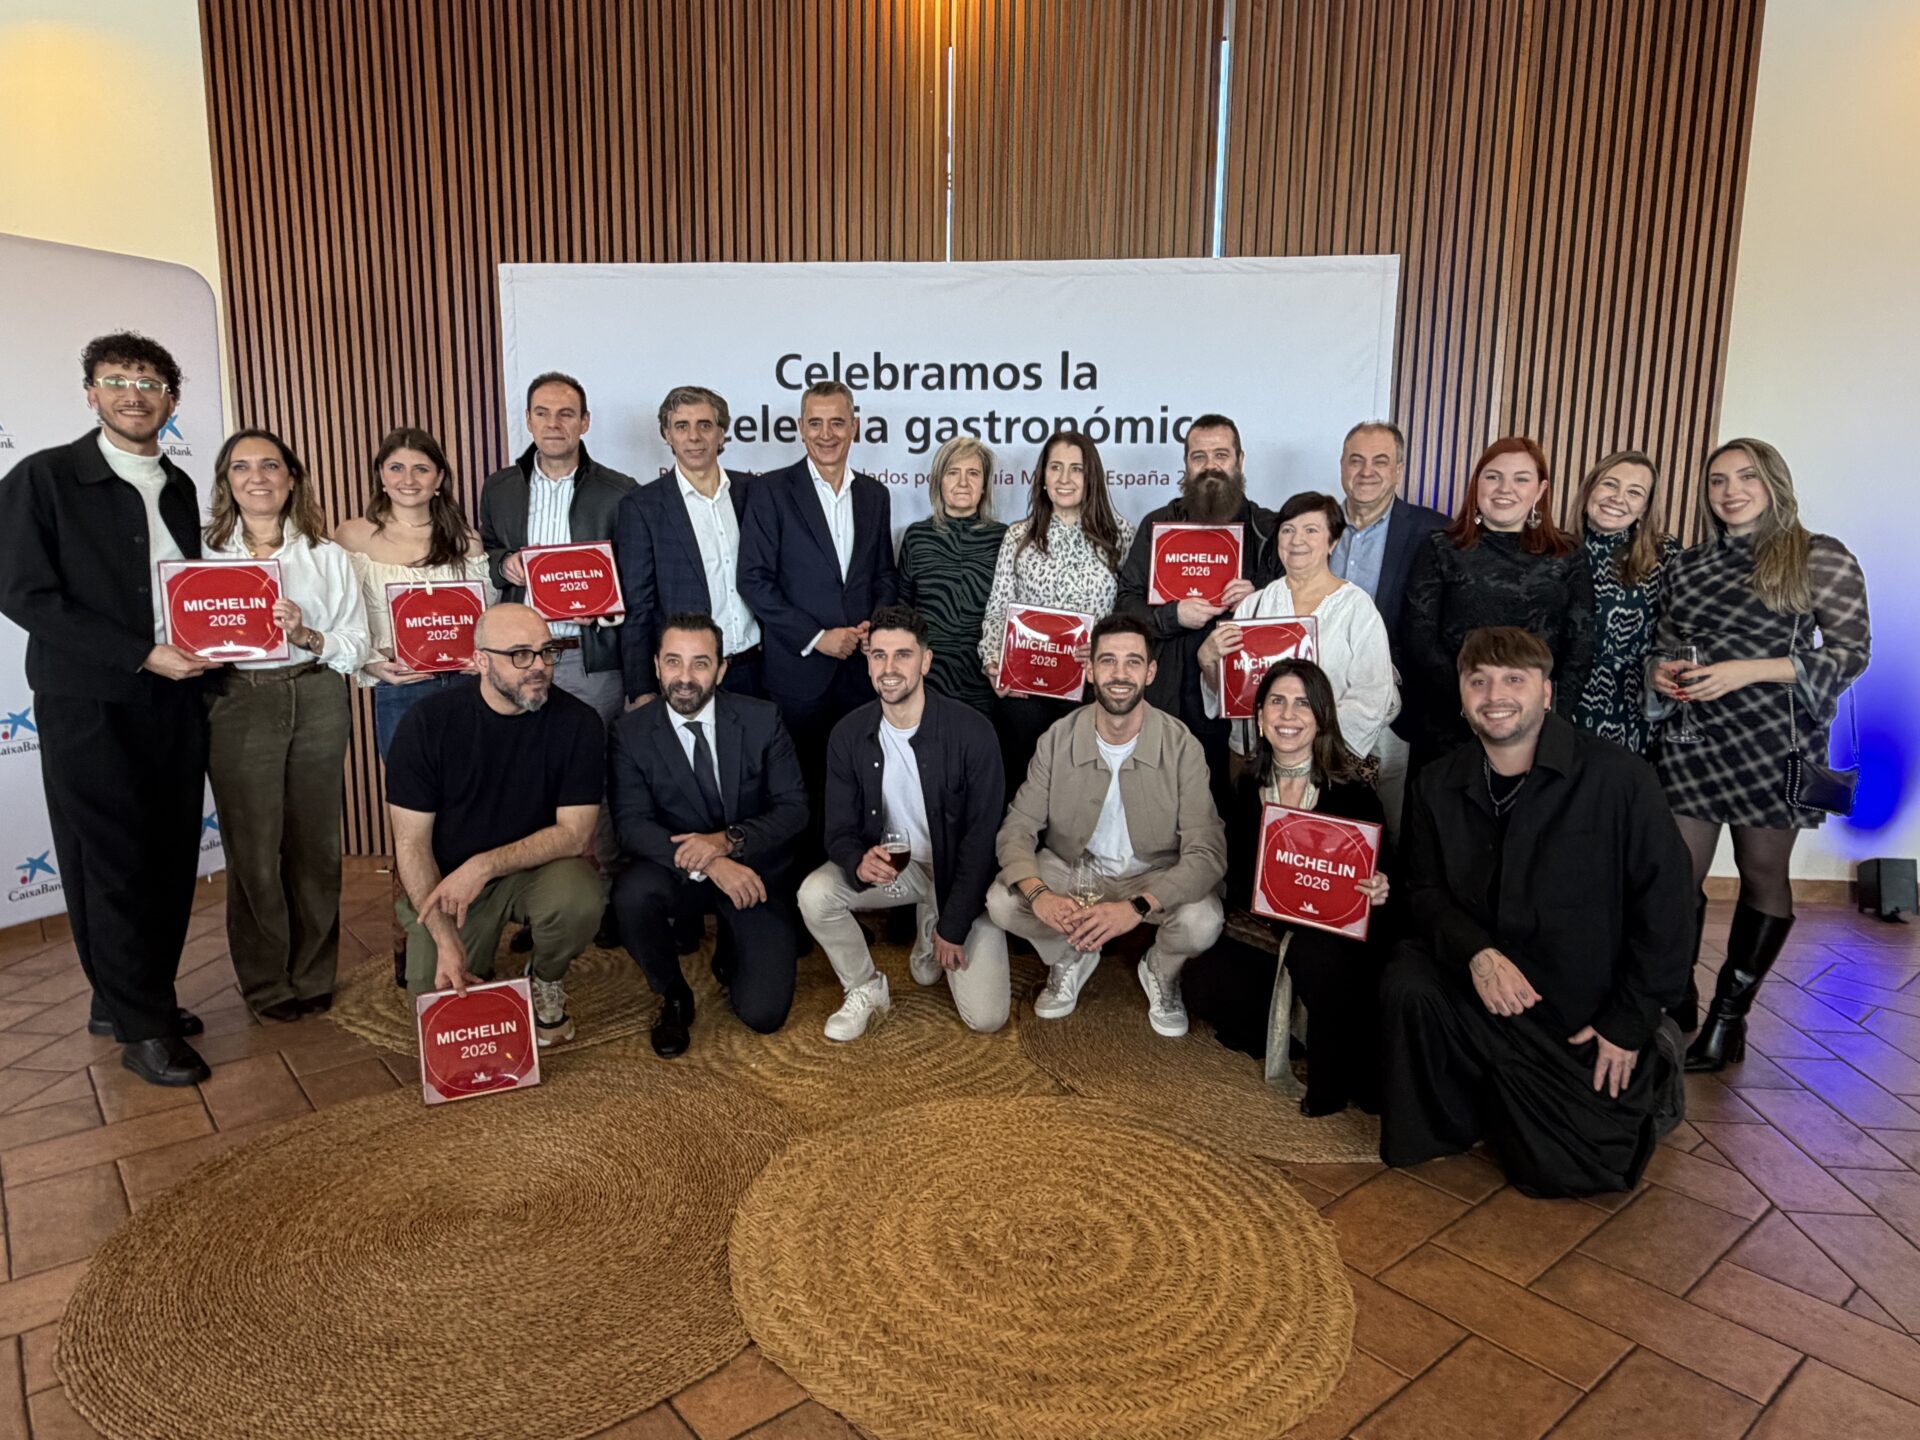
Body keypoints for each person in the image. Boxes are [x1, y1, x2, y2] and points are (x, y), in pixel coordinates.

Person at [1380, 627, 1693, 1198]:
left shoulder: (1620, 779)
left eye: (1514, 680)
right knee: (1409, 979)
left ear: (1546, 693)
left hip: (1579, 1010)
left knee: (1569, 1174)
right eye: (1479, 682)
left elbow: (1668, 907)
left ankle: (1657, 1057)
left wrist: (1630, 1021)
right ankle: (1463, 1116)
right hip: (1487, 988)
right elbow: (1422, 891)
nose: (1495, 695)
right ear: (1462, 698)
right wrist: (1477, 953)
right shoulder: (1436, 783)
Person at [0, 332, 215, 1086]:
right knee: (111, 860)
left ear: (171, 400)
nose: (134, 394)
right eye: (118, 380)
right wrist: (139, 652)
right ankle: (144, 1026)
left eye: (150, 383)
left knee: (169, 853)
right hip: (88, 699)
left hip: (176, 694)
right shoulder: (45, 478)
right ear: (91, 393)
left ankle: (129, 995)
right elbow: (24, 594)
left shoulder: (179, 485)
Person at [1651, 439, 1870, 1071]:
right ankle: (1676, 1002)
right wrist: (1659, 670)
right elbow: (1666, 641)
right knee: (1673, 877)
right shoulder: (1688, 565)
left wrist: (1746, 670)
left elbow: (1851, 652)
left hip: (1774, 741)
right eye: (1718, 480)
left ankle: (1729, 1020)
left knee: (1762, 873)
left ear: (1774, 482)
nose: (1731, 491)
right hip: (1692, 736)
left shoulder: (1818, 555)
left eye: (1746, 477)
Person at [987, 614, 1227, 1037]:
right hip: (1073, 869)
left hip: (1153, 875)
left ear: (1150, 672)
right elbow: (1017, 827)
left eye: (1133, 662)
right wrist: (1040, 895)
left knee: (1203, 921)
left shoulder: (1181, 744)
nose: (1120, 674)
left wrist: (1136, 907)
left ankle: (1161, 969)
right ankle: (1068, 954)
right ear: (1089, 669)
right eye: (1108, 661)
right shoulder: (1057, 738)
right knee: (1002, 902)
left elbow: (1207, 852)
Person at [202, 429, 371, 1022]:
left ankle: (313, 973)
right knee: (253, 850)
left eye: (270, 465)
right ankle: (266, 982)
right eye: (241, 466)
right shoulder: (199, 554)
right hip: (239, 700)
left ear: (291, 478)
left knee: (316, 846)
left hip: (317, 694)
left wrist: (305, 633)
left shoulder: (326, 555)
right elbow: (174, 629)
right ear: (226, 481)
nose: (257, 477)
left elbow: (356, 642)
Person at [384, 603, 604, 1046]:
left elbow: (576, 834)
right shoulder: (426, 724)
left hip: (532, 873)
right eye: (520, 654)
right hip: (450, 885)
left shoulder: (579, 723)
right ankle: (454, 949)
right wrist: (445, 939)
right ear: (481, 661)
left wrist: (484, 865)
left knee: (579, 897)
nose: (539, 666)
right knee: (440, 1008)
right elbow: (411, 846)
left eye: (546, 652)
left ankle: (546, 977)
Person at [1182, 660, 1392, 1116]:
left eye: (1302, 704)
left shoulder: (1353, 793)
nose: (1288, 715)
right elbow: (1239, 877)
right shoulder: (1246, 787)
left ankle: (1331, 1075)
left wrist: (1378, 887)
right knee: (1201, 986)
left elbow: (1382, 881)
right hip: (1270, 931)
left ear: (1321, 718)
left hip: (1334, 943)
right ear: (1260, 717)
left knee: (1315, 955)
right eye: (1277, 702)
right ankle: (1299, 1032)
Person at [801, 606, 1009, 1039]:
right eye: (879, 655)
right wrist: (857, 860)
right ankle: (865, 986)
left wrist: (954, 926)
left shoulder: (973, 732)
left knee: (987, 1018)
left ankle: (935, 919)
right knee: (815, 894)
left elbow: (982, 841)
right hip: (901, 869)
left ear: (926, 661)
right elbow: (837, 829)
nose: (889, 668)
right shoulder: (848, 734)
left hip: (962, 876)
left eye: (903, 655)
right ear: (868, 663)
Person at [608, 613, 809, 1057]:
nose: (685, 677)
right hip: (677, 872)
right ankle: (673, 994)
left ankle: (733, 946)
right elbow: (632, 825)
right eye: (673, 662)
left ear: (721, 669)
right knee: (632, 894)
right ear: (656, 666)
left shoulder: (762, 719)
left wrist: (727, 841)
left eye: (700, 663)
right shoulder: (630, 733)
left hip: (751, 873)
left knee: (764, 1015)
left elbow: (794, 808)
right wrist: (712, 862)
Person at [737, 380, 899, 823]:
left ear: (855, 427)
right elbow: (754, 579)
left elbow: (884, 574)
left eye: (837, 423)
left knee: (862, 784)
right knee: (801, 792)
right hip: (799, 673)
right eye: (816, 423)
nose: (827, 434)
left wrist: (874, 627)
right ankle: (808, 871)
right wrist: (816, 637)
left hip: (862, 672)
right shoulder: (770, 491)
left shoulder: (875, 495)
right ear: (800, 428)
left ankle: (857, 862)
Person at [1117, 413, 1279, 821]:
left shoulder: (1269, 529)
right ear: (1186, 464)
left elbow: (1293, 610)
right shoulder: (1157, 525)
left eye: (1221, 455)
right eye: (1199, 457)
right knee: (1158, 812)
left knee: (1228, 816)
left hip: (1238, 707)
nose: (1210, 466)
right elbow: (1125, 605)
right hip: (1167, 697)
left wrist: (1258, 598)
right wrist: (1172, 615)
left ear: (1240, 460)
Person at [1400, 436, 1595, 766]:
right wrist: (1474, 700)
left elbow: (1581, 645)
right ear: (1477, 484)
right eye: (1493, 477)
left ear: (1540, 490)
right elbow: (1419, 637)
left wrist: (1549, 713)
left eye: (1521, 479)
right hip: (1450, 722)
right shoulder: (1441, 547)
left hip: (1537, 725)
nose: (1505, 488)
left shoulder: (1568, 553)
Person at [479, 371, 638, 724]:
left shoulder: (620, 491)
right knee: (520, 752)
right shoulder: (498, 489)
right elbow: (485, 552)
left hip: (589, 660)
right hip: (517, 658)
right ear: (528, 420)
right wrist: (503, 564)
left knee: (591, 752)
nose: (553, 424)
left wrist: (604, 607)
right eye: (542, 413)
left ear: (585, 422)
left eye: (566, 413)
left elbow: (638, 573)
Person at [977, 430, 1134, 785]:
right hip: (1025, 690)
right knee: (1023, 786)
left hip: (1091, 687)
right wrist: (992, 663)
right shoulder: (1018, 536)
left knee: (1085, 791)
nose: (1065, 479)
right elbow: (998, 608)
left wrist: (1104, 647)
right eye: (1055, 467)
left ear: (1091, 477)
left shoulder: (1121, 535)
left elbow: (1130, 615)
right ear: (1042, 476)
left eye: (1076, 469)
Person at [1197, 490, 1395, 769]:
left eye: (1311, 530)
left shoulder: (1356, 607)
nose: (1297, 540)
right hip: (1254, 758)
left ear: (1333, 541)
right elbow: (1234, 694)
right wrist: (1208, 662)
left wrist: (1303, 739)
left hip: (1328, 760)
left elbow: (1373, 694)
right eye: (1288, 530)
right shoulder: (1253, 606)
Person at [334, 428, 491, 759]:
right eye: (396, 468)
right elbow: (339, 616)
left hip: (467, 686)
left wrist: (483, 658)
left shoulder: (465, 539)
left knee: (474, 786)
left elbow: (488, 617)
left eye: (421, 469)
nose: (408, 479)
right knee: (410, 787)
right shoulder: (352, 535)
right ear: (381, 475)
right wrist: (372, 664)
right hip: (401, 686)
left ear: (439, 478)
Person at [1327, 421, 1449, 835]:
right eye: (1356, 460)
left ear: (1398, 470)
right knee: (1323, 820)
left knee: (1387, 827)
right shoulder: (1315, 526)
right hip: (1321, 703)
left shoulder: (1435, 532)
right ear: (1342, 466)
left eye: (1380, 461)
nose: (1367, 471)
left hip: (1393, 709)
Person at [614, 384, 762, 704]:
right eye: (682, 426)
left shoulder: (753, 492)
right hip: (685, 677)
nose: (694, 436)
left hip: (756, 668)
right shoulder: (642, 507)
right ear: (667, 434)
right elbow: (638, 606)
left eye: (704, 425)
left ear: (721, 433)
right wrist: (641, 689)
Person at [1572, 450, 1679, 754]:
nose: (1618, 498)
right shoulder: (1556, 550)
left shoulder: (1665, 555)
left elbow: (1684, 629)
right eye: (1610, 484)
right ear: (1590, 489)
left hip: (1633, 705)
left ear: (1645, 508)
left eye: (1634, 492)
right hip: (1565, 701)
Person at [897, 437, 1006, 715]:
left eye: (973, 474)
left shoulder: (1005, 538)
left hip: (988, 678)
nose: (963, 483)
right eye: (953, 472)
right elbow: (903, 608)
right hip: (929, 677)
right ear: (938, 482)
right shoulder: (917, 537)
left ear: (984, 485)